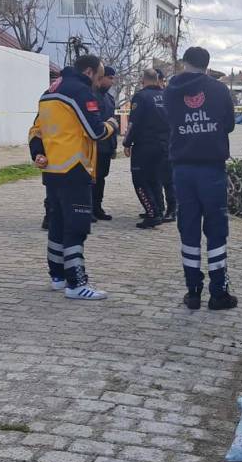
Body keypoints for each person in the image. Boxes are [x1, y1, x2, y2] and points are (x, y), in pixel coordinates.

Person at [30, 54, 118, 300]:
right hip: (75, 168)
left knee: (57, 225)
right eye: (99, 77)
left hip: (53, 169)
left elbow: (36, 129)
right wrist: (112, 124)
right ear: (89, 72)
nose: (99, 83)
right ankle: (76, 282)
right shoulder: (79, 92)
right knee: (76, 226)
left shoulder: (49, 91)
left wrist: (37, 152)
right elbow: (95, 131)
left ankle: (57, 276)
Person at [165, 46, 238, 310]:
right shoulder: (219, 90)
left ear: (184, 63)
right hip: (211, 168)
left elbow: (169, 122)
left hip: (182, 169)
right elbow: (229, 124)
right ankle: (219, 292)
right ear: (207, 65)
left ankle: (192, 291)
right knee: (216, 229)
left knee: (189, 228)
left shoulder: (170, 91)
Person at [124, 69, 170, 229]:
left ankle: (152, 214)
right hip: (164, 145)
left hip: (145, 145)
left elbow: (133, 123)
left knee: (140, 181)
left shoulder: (141, 97)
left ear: (143, 80)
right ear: (158, 79)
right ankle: (158, 209)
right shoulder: (166, 96)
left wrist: (126, 143)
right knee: (155, 179)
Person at [92, 66, 118, 221]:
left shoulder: (110, 99)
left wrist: (114, 146)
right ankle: (89, 208)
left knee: (101, 178)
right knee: (92, 178)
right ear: (101, 78)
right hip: (94, 145)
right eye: (110, 78)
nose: (112, 81)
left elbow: (113, 123)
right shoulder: (91, 95)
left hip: (107, 146)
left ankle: (97, 206)